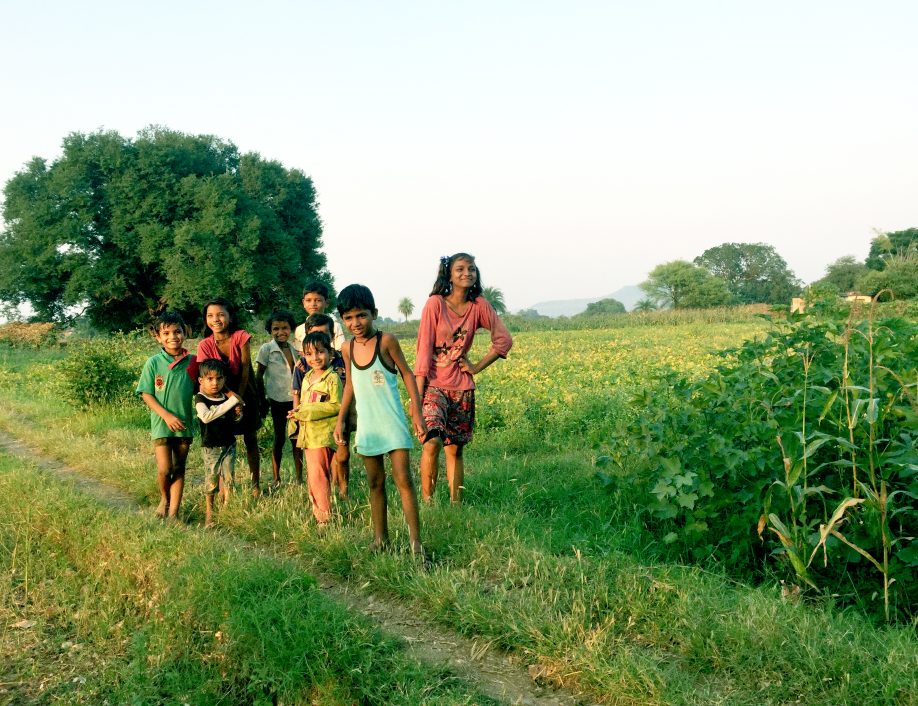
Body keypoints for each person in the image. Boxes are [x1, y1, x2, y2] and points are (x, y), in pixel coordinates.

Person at [333, 284, 426, 557]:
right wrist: (341, 419)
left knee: (404, 480)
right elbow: (350, 384)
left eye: (361, 315)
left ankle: (416, 543)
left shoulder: (387, 341)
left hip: (392, 422)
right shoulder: (347, 348)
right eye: (348, 318)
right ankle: (380, 539)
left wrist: (416, 411)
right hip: (368, 426)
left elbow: (408, 374)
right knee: (375, 483)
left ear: (374, 313)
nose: (355, 323)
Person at [414, 253, 513, 504]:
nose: (467, 273)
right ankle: (428, 503)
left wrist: (476, 367)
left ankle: (455, 505)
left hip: (462, 387)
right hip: (434, 385)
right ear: (449, 274)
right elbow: (423, 351)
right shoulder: (435, 304)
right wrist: (416, 401)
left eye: (471, 269)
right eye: (460, 269)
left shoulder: (479, 306)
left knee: (455, 449)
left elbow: (503, 340)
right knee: (432, 441)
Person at [188, 298, 264, 496]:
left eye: (221, 314)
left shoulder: (241, 336)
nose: (216, 319)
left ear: (230, 317)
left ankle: (255, 484)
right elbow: (206, 375)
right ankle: (224, 489)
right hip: (219, 395)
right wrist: (230, 398)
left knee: (250, 438)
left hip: (246, 390)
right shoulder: (204, 345)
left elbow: (246, 368)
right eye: (210, 316)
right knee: (223, 440)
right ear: (205, 320)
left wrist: (239, 398)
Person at [136, 311, 195, 521]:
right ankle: (164, 497)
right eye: (167, 333)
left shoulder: (193, 362)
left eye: (177, 331)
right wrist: (167, 416)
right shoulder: (153, 363)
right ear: (158, 337)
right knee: (164, 469)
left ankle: (174, 514)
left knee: (179, 467)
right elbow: (146, 394)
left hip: (185, 424)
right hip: (161, 424)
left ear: (185, 332)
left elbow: (205, 388)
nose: (173, 337)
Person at [293, 312, 351, 499]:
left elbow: (350, 385)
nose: (315, 355)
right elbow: (297, 392)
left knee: (341, 455)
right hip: (314, 424)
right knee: (320, 461)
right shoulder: (303, 365)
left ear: (332, 338)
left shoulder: (342, 359)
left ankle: (342, 490)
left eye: (325, 335)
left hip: (341, 415)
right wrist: (298, 415)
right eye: (315, 333)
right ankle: (330, 493)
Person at [290, 331, 341, 524]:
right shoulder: (307, 377)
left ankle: (324, 519)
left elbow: (336, 405)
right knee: (313, 476)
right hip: (308, 435)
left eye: (320, 352)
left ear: (330, 353)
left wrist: (307, 410)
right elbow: (303, 405)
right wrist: (297, 413)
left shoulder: (332, 379)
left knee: (319, 476)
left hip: (322, 436)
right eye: (309, 354)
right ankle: (319, 513)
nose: (315, 358)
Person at [255, 309, 303, 486]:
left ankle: (299, 478)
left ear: (291, 329)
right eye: (276, 328)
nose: (280, 332)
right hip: (276, 401)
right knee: (279, 438)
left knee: (297, 439)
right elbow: (258, 376)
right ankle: (276, 478)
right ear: (270, 330)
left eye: (285, 328)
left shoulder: (295, 350)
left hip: (295, 401)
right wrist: (262, 400)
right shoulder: (267, 349)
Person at [195, 358, 243, 527]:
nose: (215, 383)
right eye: (210, 379)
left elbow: (232, 420)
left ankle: (227, 511)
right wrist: (232, 402)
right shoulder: (200, 399)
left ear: (224, 380)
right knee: (212, 480)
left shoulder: (225, 397)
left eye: (219, 378)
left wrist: (237, 414)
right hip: (211, 447)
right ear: (201, 381)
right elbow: (206, 417)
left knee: (229, 478)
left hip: (229, 444)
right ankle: (209, 514)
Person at [292, 281, 346, 353]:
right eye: (308, 300)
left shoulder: (335, 326)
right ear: (303, 303)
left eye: (318, 300)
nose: (313, 304)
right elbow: (300, 353)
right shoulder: (299, 330)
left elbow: (340, 350)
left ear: (327, 303)